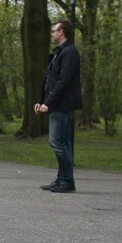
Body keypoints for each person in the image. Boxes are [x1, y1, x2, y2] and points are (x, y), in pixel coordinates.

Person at [34, 19, 82, 193]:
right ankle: (62, 178)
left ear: (62, 32)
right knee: (62, 142)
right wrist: (41, 100)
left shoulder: (70, 52)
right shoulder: (58, 53)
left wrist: (49, 102)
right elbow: (48, 80)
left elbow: (64, 81)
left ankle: (67, 181)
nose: (52, 34)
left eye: (54, 31)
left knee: (57, 142)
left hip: (62, 105)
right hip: (54, 103)